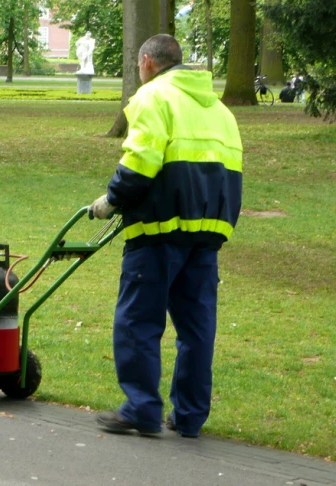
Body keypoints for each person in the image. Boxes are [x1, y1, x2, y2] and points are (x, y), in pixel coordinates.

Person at [89, 34, 243, 438]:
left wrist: (112, 199)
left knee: (138, 322)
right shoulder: (220, 110)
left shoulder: (153, 97)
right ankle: (189, 417)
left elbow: (141, 161)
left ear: (146, 62)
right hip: (208, 232)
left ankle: (141, 409)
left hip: (159, 230)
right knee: (196, 328)